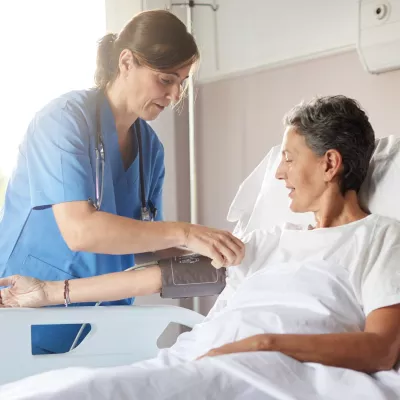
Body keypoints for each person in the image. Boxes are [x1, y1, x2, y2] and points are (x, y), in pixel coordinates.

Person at [2, 96, 400, 400]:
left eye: (289, 158)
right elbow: (166, 277)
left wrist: (264, 344)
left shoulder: (380, 239)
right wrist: (51, 293)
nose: (278, 172)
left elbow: (381, 349)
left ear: (330, 164)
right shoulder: (270, 240)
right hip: (196, 358)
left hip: (260, 368)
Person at [0, 10, 245, 355]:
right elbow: (80, 231)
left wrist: (213, 248)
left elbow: (143, 240)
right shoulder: (63, 121)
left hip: (104, 323)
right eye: (165, 79)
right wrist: (186, 233)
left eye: (182, 82)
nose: (176, 95)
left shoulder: (150, 149)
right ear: (126, 62)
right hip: (26, 310)